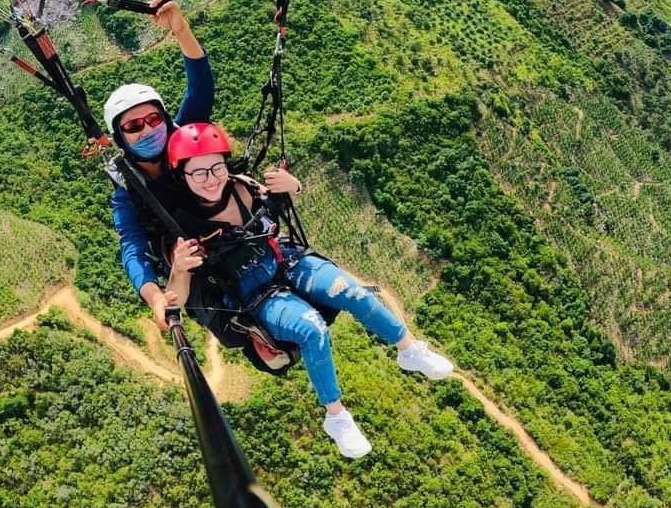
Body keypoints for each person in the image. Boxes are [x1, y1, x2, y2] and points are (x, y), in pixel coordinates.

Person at [162, 122, 454, 459]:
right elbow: (178, 299)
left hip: (284, 259)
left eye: (217, 167)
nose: (211, 178)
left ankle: (409, 349)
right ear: (182, 177)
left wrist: (293, 185)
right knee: (312, 329)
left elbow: (280, 197)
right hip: (255, 293)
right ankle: (337, 416)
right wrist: (179, 268)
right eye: (198, 173)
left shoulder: (243, 188)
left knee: (354, 292)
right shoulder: (183, 228)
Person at [104, 0, 214, 331]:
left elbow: (201, 88)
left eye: (154, 119)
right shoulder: (129, 190)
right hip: (190, 263)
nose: (148, 129)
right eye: (133, 127)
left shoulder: (182, 138)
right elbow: (133, 247)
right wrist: (154, 296)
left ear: (166, 118)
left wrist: (181, 30)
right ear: (121, 139)